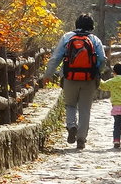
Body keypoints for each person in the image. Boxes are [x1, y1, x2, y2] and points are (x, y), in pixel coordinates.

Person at [43, 13, 106, 150]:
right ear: (91, 26)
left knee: (70, 105)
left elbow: (56, 58)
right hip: (89, 78)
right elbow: (102, 59)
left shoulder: (67, 37)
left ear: (76, 24)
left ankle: (71, 126)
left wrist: (47, 75)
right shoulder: (95, 39)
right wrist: (96, 72)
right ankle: (81, 139)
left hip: (69, 77)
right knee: (85, 109)